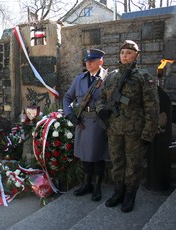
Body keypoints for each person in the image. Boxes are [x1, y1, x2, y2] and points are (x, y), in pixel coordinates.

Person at [96, 40, 159, 213]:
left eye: (129, 53)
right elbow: (101, 98)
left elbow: (152, 107)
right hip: (114, 129)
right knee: (117, 162)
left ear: (136, 56)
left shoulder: (143, 77)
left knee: (133, 165)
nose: (125, 56)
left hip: (135, 131)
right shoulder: (111, 76)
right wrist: (101, 109)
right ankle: (118, 192)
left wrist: (148, 132)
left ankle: (130, 195)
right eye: (122, 53)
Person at [63, 48, 109, 202]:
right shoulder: (79, 79)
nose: (88, 63)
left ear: (100, 62)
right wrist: (69, 114)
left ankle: (97, 187)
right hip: (82, 122)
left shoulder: (108, 79)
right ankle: (87, 184)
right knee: (84, 156)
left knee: (98, 157)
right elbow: (67, 98)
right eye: (87, 61)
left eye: (92, 60)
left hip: (99, 122)